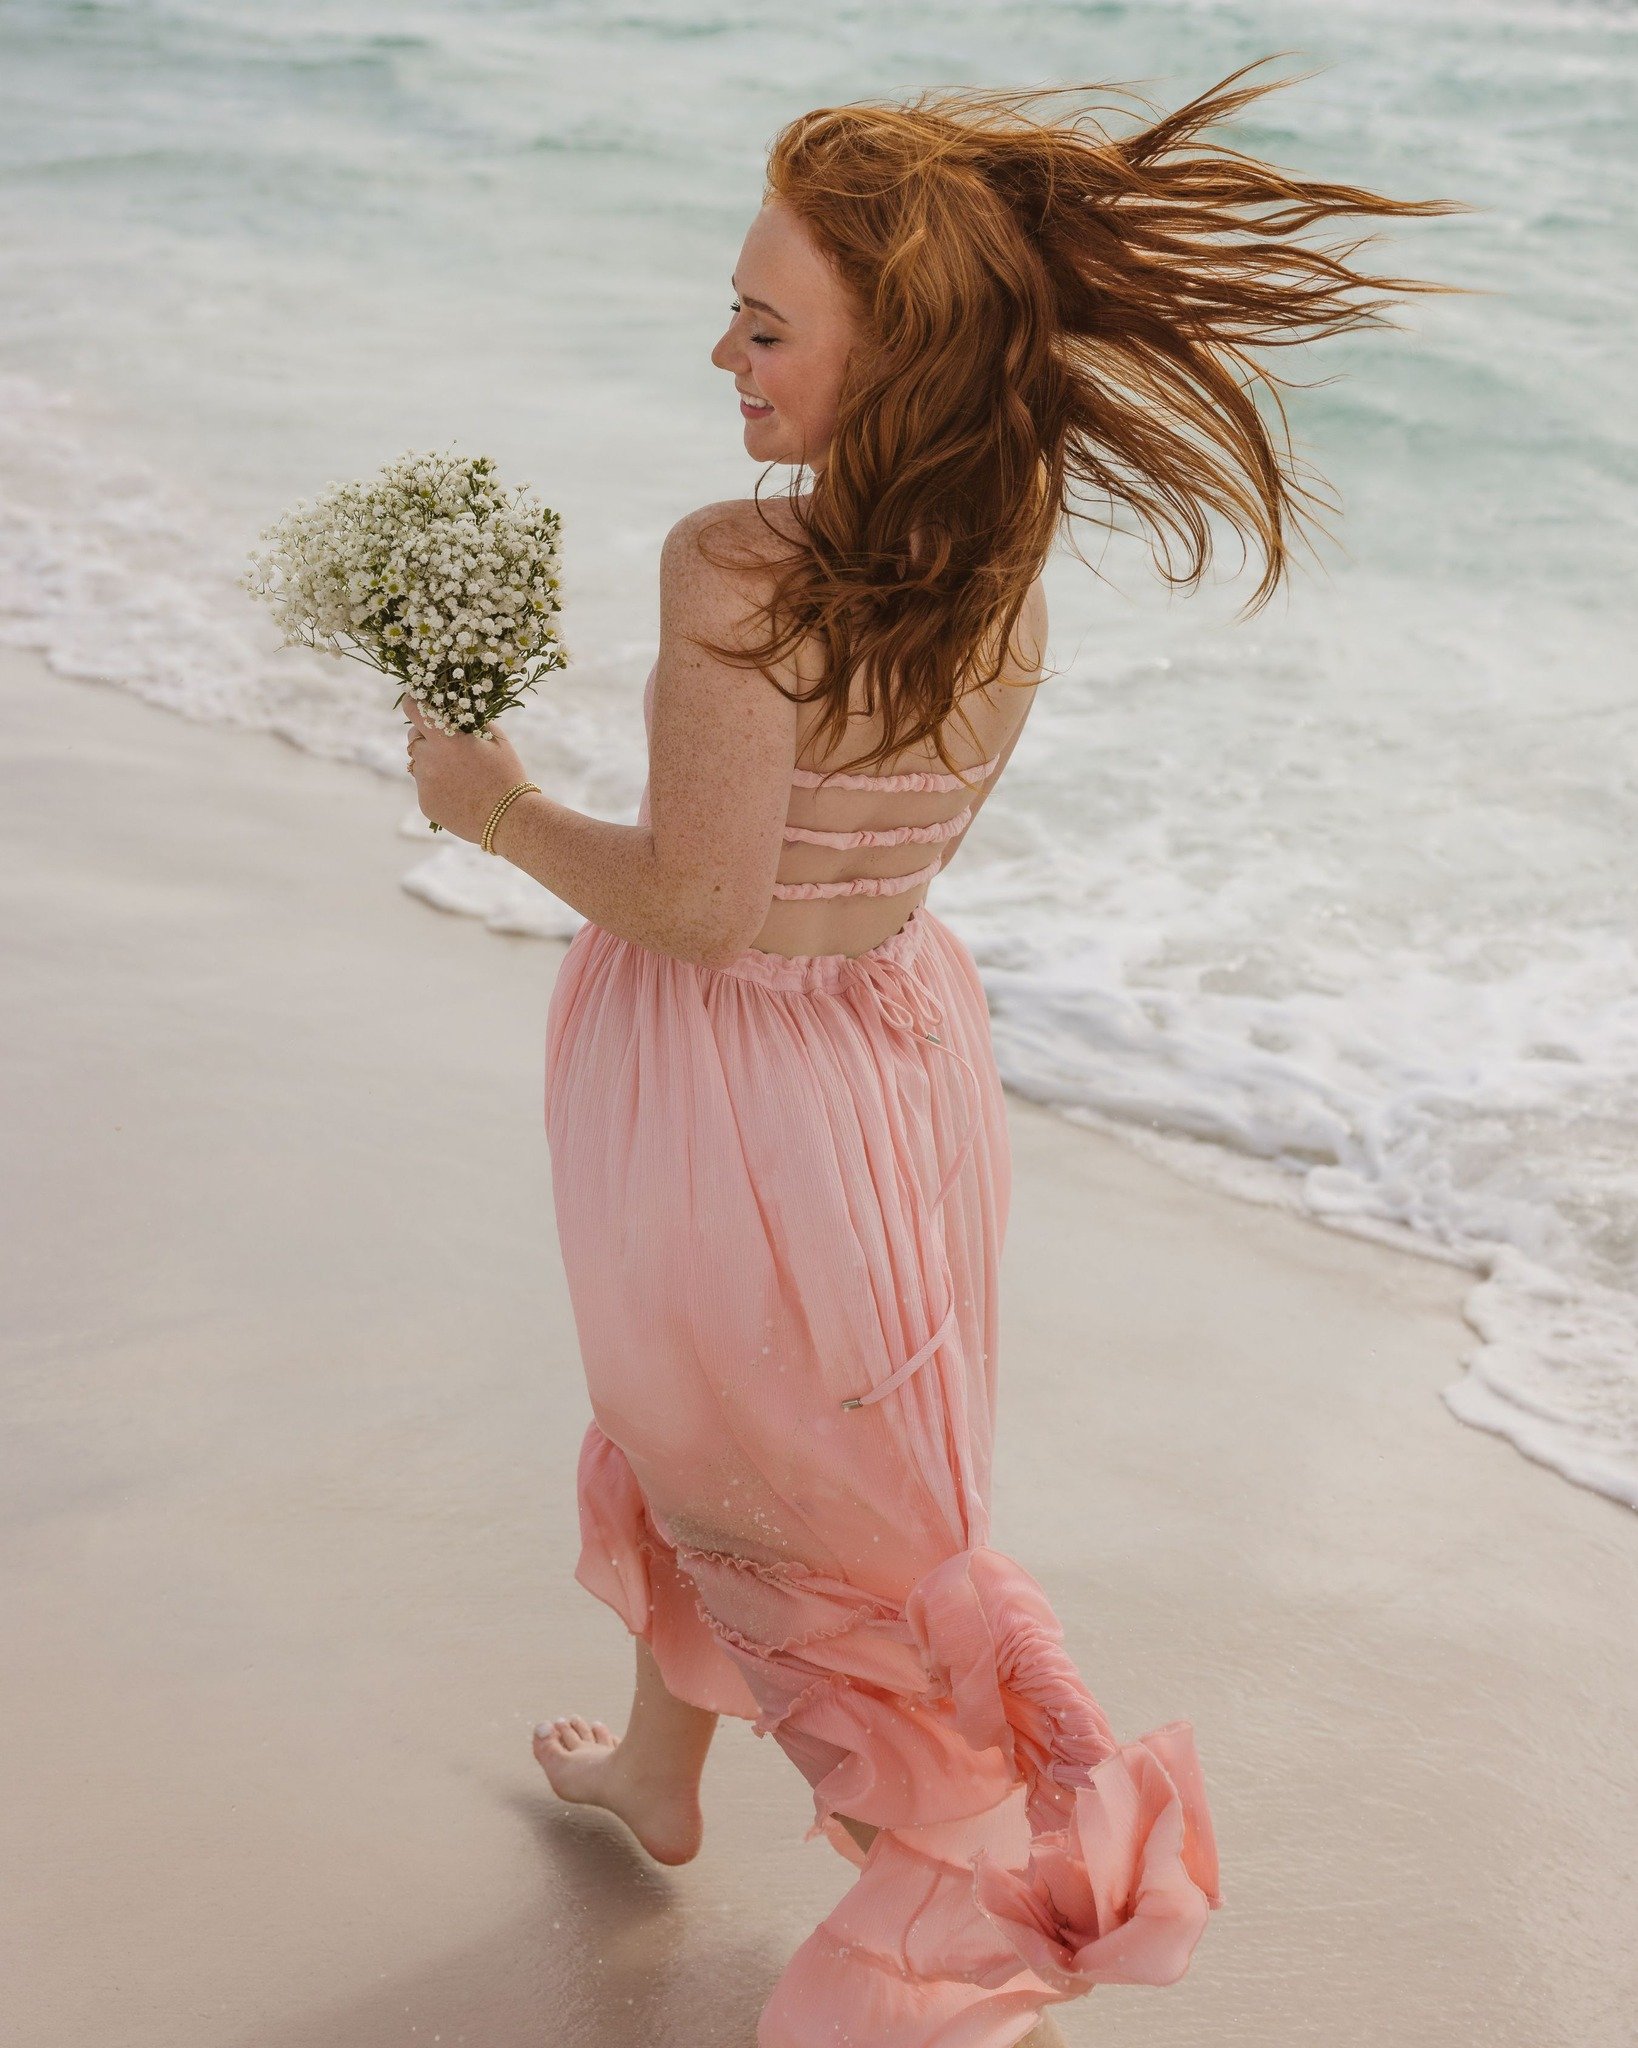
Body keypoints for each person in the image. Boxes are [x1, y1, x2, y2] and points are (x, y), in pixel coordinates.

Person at [403, 61, 1452, 2048]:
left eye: (765, 326)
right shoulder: (998, 549)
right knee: (756, 1453)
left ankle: (967, 1939)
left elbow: (700, 905)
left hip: (728, 1088)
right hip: (888, 1063)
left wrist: (493, 803)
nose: (723, 354)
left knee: (787, 1503)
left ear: (896, 361)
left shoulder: (735, 565)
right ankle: (660, 1774)